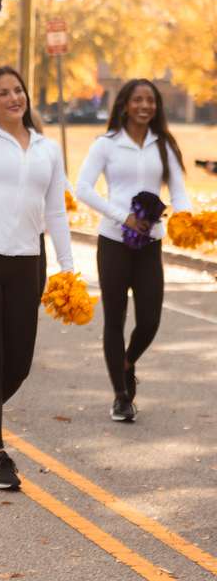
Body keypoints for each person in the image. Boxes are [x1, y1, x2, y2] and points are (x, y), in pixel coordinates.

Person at [0, 11, 73, 492]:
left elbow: (57, 212)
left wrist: (68, 270)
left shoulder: (47, 148)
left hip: (28, 261)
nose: (13, 97)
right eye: (2, 92)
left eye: (17, 90)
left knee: (20, 362)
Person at [75, 79, 190, 423]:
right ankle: (121, 396)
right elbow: (82, 188)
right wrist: (121, 216)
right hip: (113, 243)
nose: (145, 106)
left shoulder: (163, 145)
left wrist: (181, 222)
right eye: (138, 100)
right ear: (124, 105)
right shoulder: (106, 145)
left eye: (150, 100)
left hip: (150, 246)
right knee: (115, 318)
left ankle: (127, 361)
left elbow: (180, 193)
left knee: (151, 319)